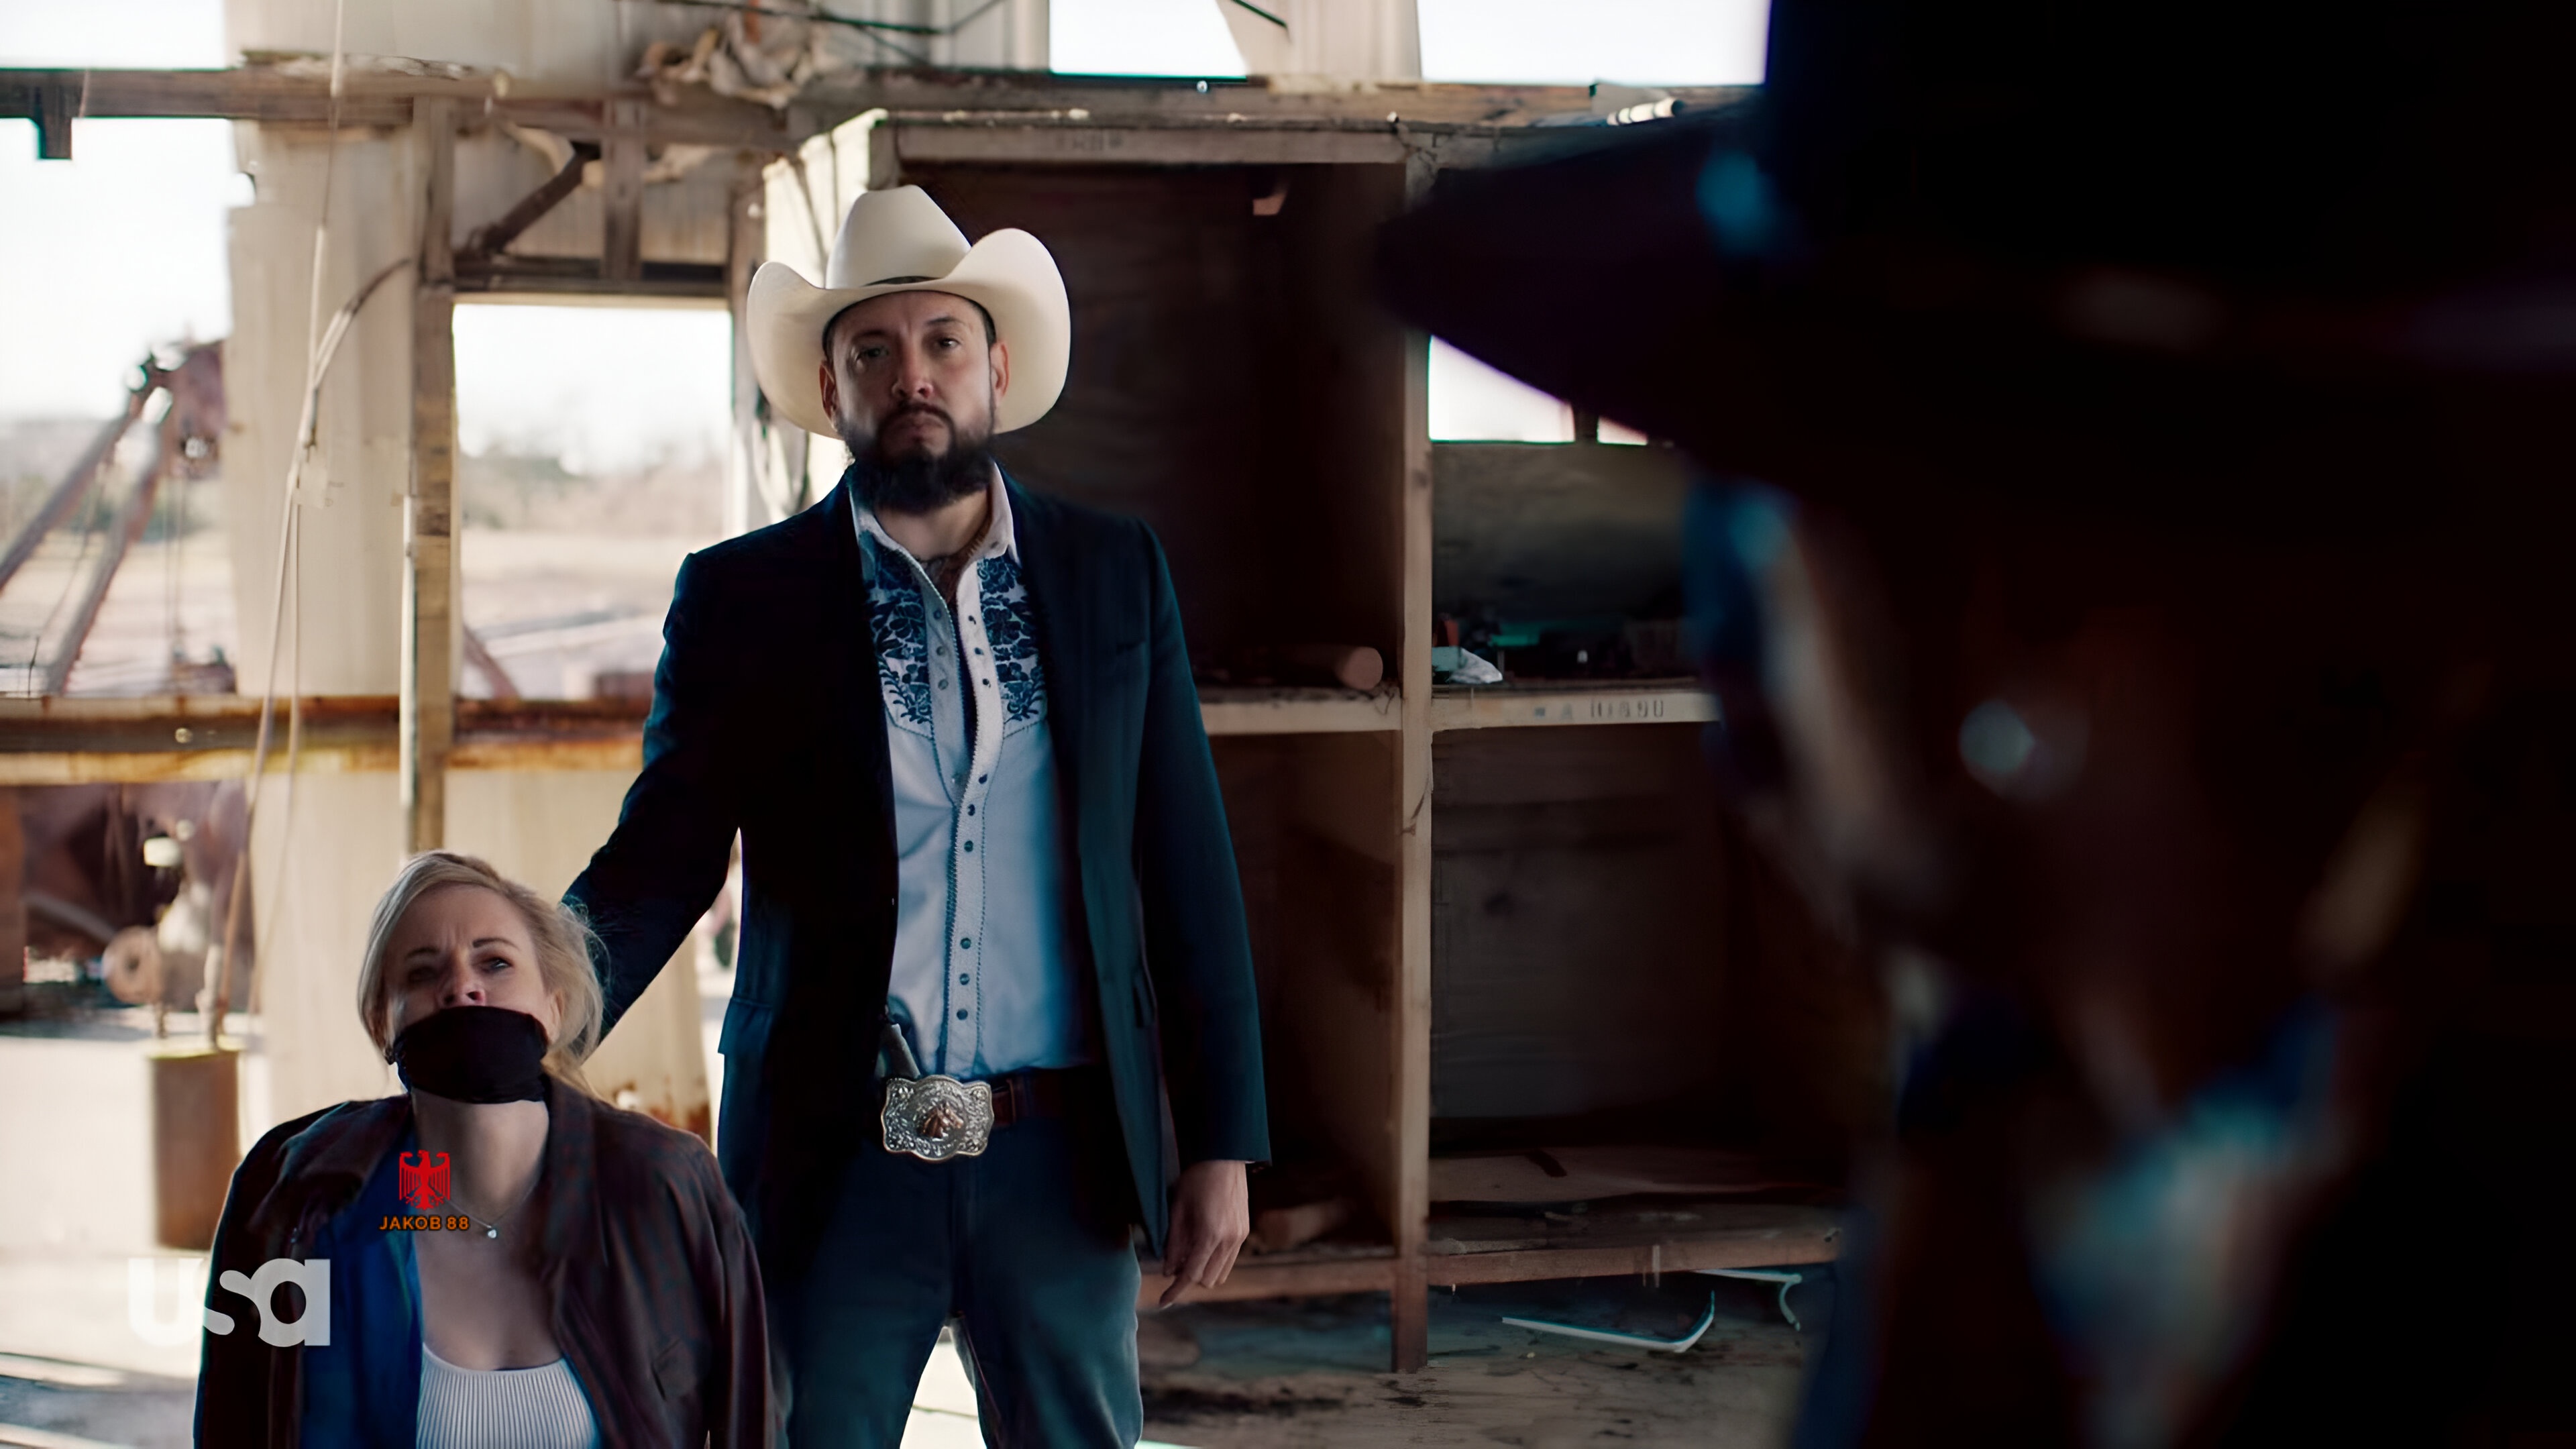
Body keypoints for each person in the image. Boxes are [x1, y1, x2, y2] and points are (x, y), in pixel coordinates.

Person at [1379, 0, 2576, 1442]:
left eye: (1771, 499)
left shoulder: (2447, 1297)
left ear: (2003, 609)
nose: (1746, 646)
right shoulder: (2068, 1122)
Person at [565, 184, 1269, 1447]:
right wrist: (537, 1004)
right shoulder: (743, 598)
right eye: (872, 351)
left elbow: (1186, 865)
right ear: (829, 387)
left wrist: (1221, 1139)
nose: (913, 375)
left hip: (1061, 1155)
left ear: (996, 367)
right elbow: (663, 855)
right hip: (831, 1154)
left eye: (943, 340)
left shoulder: (1113, 573)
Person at [196, 851, 772, 1446]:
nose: (462, 987)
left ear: (554, 1008)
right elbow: (231, 1422)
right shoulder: (292, 1193)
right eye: (422, 973)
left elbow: (749, 1420)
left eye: (495, 963)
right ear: (381, 1023)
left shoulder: (668, 1187)